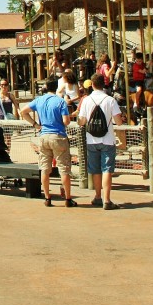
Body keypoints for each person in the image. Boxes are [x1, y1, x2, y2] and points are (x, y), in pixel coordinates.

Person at [21, 78, 75, 207]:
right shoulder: (60, 102)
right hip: (58, 135)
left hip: (44, 135)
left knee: (45, 168)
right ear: (56, 87)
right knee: (64, 168)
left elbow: (23, 111)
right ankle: (68, 198)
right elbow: (66, 121)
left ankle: (47, 197)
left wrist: (35, 124)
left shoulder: (39, 100)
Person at [77, 74, 123, 209]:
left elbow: (82, 121)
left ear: (92, 84)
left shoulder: (86, 100)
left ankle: (98, 196)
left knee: (95, 169)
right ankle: (107, 200)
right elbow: (118, 122)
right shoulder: (110, 100)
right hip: (107, 139)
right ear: (104, 84)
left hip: (91, 139)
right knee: (107, 169)